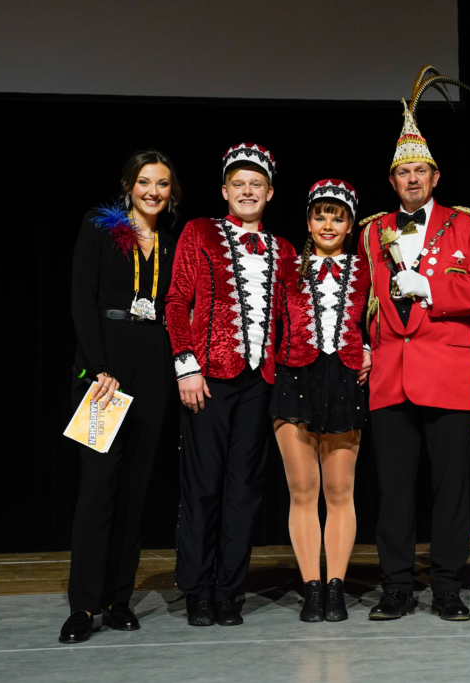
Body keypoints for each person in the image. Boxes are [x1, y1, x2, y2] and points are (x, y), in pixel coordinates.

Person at [360, 70, 470, 622]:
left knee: (450, 489)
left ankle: (446, 585)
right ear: (393, 180)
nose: (412, 179)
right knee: (394, 490)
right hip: (390, 375)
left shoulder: (465, 226)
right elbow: (354, 299)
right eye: (404, 172)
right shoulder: (371, 231)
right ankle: (397, 586)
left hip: (447, 374)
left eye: (420, 170)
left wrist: (432, 289)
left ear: (435, 176)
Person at [166, 143, 297, 627]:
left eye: (255, 184)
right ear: (224, 190)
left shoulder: (285, 249)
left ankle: (228, 591)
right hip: (207, 379)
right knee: (203, 487)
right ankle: (197, 589)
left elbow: (294, 316)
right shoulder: (199, 231)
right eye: (238, 184)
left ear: (269, 193)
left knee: (244, 490)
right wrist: (186, 367)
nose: (247, 191)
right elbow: (176, 301)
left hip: (259, 383)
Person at [61, 149, 181, 644]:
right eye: (145, 181)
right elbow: (81, 299)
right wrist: (98, 368)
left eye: (163, 183)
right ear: (129, 185)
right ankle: (84, 606)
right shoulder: (100, 226)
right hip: (104, 371)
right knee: (98, 487)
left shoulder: (171, 242)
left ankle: (118, 599)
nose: (153, 191)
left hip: (152, 366)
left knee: (135, 485)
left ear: (171, 192)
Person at [270, 179, 371, 623]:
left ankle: (336, 587)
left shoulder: (365, 269)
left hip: (344, 380)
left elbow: (383, 318)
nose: (328, 224)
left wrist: (369, 349)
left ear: (350, 225)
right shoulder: (286, 267)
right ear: (308, 221)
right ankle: (312, 586)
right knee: (303, 490)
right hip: (295, 377)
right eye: (320, 215)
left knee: (340, 490)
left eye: (338, 217)